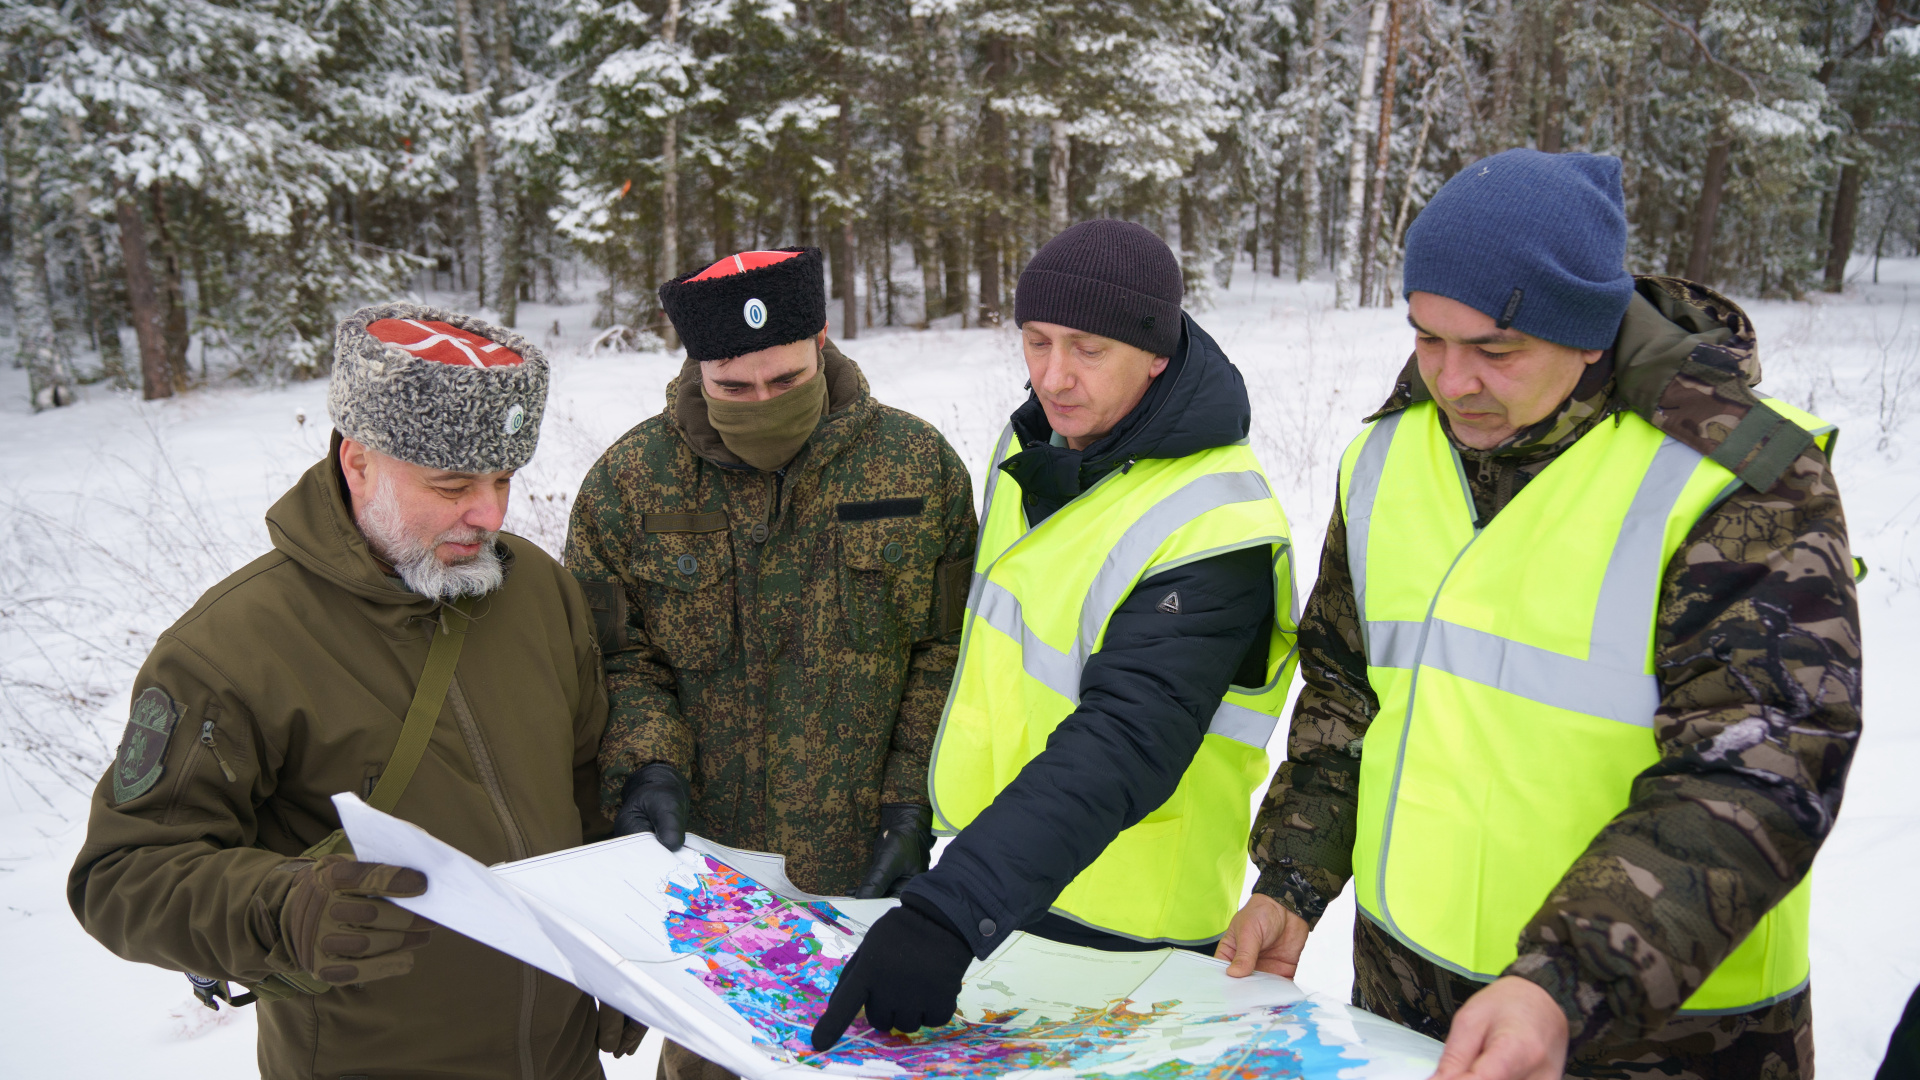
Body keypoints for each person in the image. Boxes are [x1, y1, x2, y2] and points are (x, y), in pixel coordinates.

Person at [1221, 150, 1860, 1079]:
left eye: (1495, 350)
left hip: (1658, 1033)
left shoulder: (1739, 480)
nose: (1452, 381)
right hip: (1407, 998)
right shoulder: (1384, 459)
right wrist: (1292, 880)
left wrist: (1568, 978)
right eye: (1427, 340)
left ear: (1590, 332)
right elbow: (1347, 700)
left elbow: (1761, 767)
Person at [68, 304, 641, 1078]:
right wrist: (282, 908)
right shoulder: (233, 647)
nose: (489, 513)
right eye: (452, 483)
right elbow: (121, 876)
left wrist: (621, 950)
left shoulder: (536, 587)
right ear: (359, 460)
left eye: (504, 479)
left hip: (563, 1058)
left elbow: (585, 786)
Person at [812, 219, 1300, 1050]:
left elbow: (1126, 739)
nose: (1053, 376)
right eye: (1035, 342)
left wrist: (950, 912)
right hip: (1007, 898)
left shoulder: (1216, 522)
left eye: (1087, 348)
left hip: (1130, 933)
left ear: (1155, 351)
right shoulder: (1035, 445)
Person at [565, 248, 977, 1080]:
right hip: (711, 895)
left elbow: (946, 652)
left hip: (867, 882)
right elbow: (616, 656)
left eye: (786, 381)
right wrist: (648, 766)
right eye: (734, 388)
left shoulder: (916, 467)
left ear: (821, 342)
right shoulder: (630, 484)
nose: (762, 404)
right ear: (696, 368)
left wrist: (909, 802)